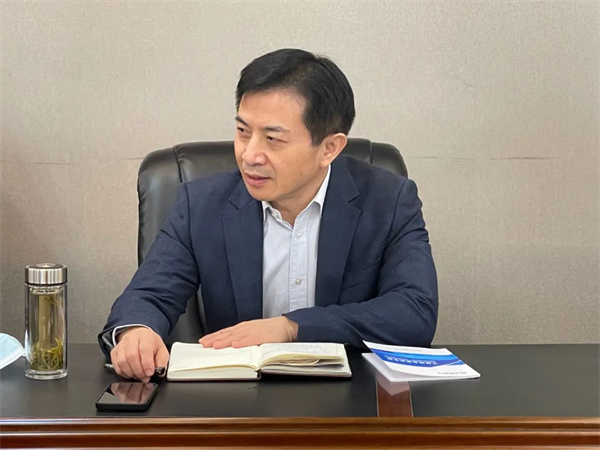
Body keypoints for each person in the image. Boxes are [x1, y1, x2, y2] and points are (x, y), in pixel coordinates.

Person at [99, 48, 438, 383]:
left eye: (273, 138)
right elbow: (148, 295)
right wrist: (136, 332)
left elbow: (414, 312)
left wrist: (291, 327)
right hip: (235, 401)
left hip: (350, 401)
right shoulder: (202, 204)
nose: (249, 155)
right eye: (243, 132)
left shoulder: (389, 200)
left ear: (329, 148)